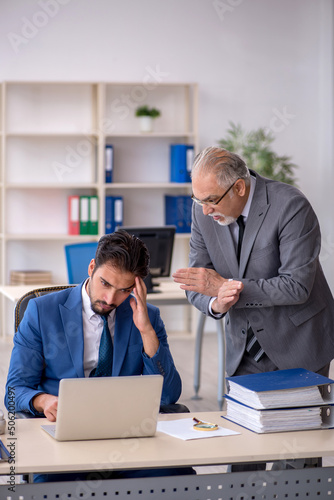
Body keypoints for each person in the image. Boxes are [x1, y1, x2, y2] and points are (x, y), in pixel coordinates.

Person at [173, 147, 334, 471]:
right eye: (198, 200)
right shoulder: (202, 214)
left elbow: (296, 285)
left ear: (240, 188)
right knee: (242, 449)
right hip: (244, 347)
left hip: (299, 340)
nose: (204, 210)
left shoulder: (290, 205)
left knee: (297, 455)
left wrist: (228, 287)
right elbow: (200, 283)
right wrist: (216, 302)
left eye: (211, 201)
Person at [4, 230, 190, 480]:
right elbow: (14, 392)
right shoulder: (41, 311)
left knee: (178, 476)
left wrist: (145, 330)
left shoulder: (148, 317)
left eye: (124, 290)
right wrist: (43, 401)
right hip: (64, 441)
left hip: (128, 439)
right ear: (92, 267)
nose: (110, 299)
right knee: (52, 484)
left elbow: (168, 395)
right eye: (105, 283)